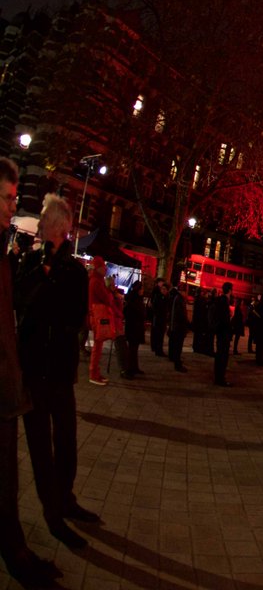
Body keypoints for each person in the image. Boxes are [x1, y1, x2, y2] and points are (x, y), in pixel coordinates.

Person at [15, 193, 97, 551]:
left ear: (62, 227)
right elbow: (21, 303)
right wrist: (38, 273)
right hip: (33, 370)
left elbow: (73, 316)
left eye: (47, 218)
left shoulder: (75, 271)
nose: (42, 222)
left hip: (60, 371)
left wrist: (49, 285)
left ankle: (65, 497)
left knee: (65, 440)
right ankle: (52, 513)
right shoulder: (29, 264)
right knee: (39, 445)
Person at [0, 160, 60, 585]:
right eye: (6, 197)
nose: (12, 205)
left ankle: (16, 553)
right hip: (4, 384)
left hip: (8, 383)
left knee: (6, 481)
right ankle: (17, 558)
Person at [86, 256, 119, 386]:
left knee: (98, 346)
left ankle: (95, 372)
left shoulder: (96, 280)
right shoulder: (96, 282)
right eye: (103, 266)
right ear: (98, 268)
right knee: (97, 346)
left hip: (96, 315)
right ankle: (93, 374)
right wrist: (111, 292)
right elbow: (107, 299)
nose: (105, 269)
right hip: (98, 316)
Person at [210, 282, 234, 387]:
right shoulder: (224, 301)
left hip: (219, 332)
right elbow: (225, 320)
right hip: (224, 333)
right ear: (229, 290)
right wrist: (231, 317)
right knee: (223, 356)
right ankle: (220, 379)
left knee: (219, 355)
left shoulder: (219, 300)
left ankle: (218, 377)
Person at [121, 280, 146, 379]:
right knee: (132, 350)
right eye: (142, 288)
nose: (143, 290)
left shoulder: (138, 298)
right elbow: (128, 313)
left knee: (134, 349)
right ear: (138, 290)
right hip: (133, 328)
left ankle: (134, 367)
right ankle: (129, 369)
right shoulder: (132, 299)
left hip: (137, 328)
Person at [167, 281, 189, 372]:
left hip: (176, 326)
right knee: (178, 346)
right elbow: (181, 315)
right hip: (178, 327)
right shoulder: (179, 299)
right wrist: (187, 323)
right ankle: (177, 364)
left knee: (176, 345)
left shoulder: (177, 298)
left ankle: (176, 361)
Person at [148, 277, 168, 357]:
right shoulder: (157, 295)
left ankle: (157, 348)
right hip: (158, 318)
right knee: (157, 334)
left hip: (160, 318)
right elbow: (155, 307)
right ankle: (157, 349)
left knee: (159, 334)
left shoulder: (164, 297)